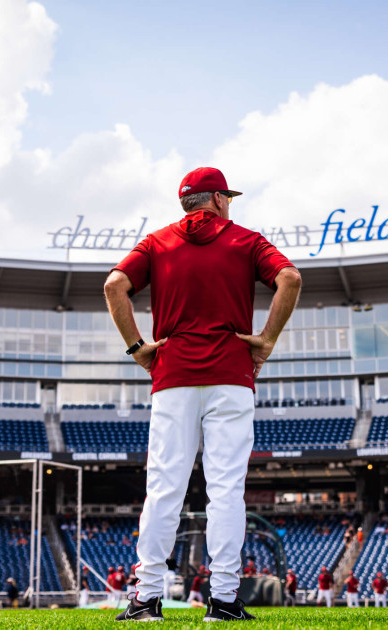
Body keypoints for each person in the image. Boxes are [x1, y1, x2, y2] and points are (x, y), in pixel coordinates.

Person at [108, 167, 300, 623]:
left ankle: (146, 598)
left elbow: (115, 284)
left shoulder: (156, 241)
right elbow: (289, 278)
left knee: (164, 488)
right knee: (226, 491)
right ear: (215, 199)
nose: (229, 204)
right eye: (226, 197)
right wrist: (267, 340)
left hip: (172, 375)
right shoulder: (248, 241)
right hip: (231, 374)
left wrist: (138, 349)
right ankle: (225, 600)